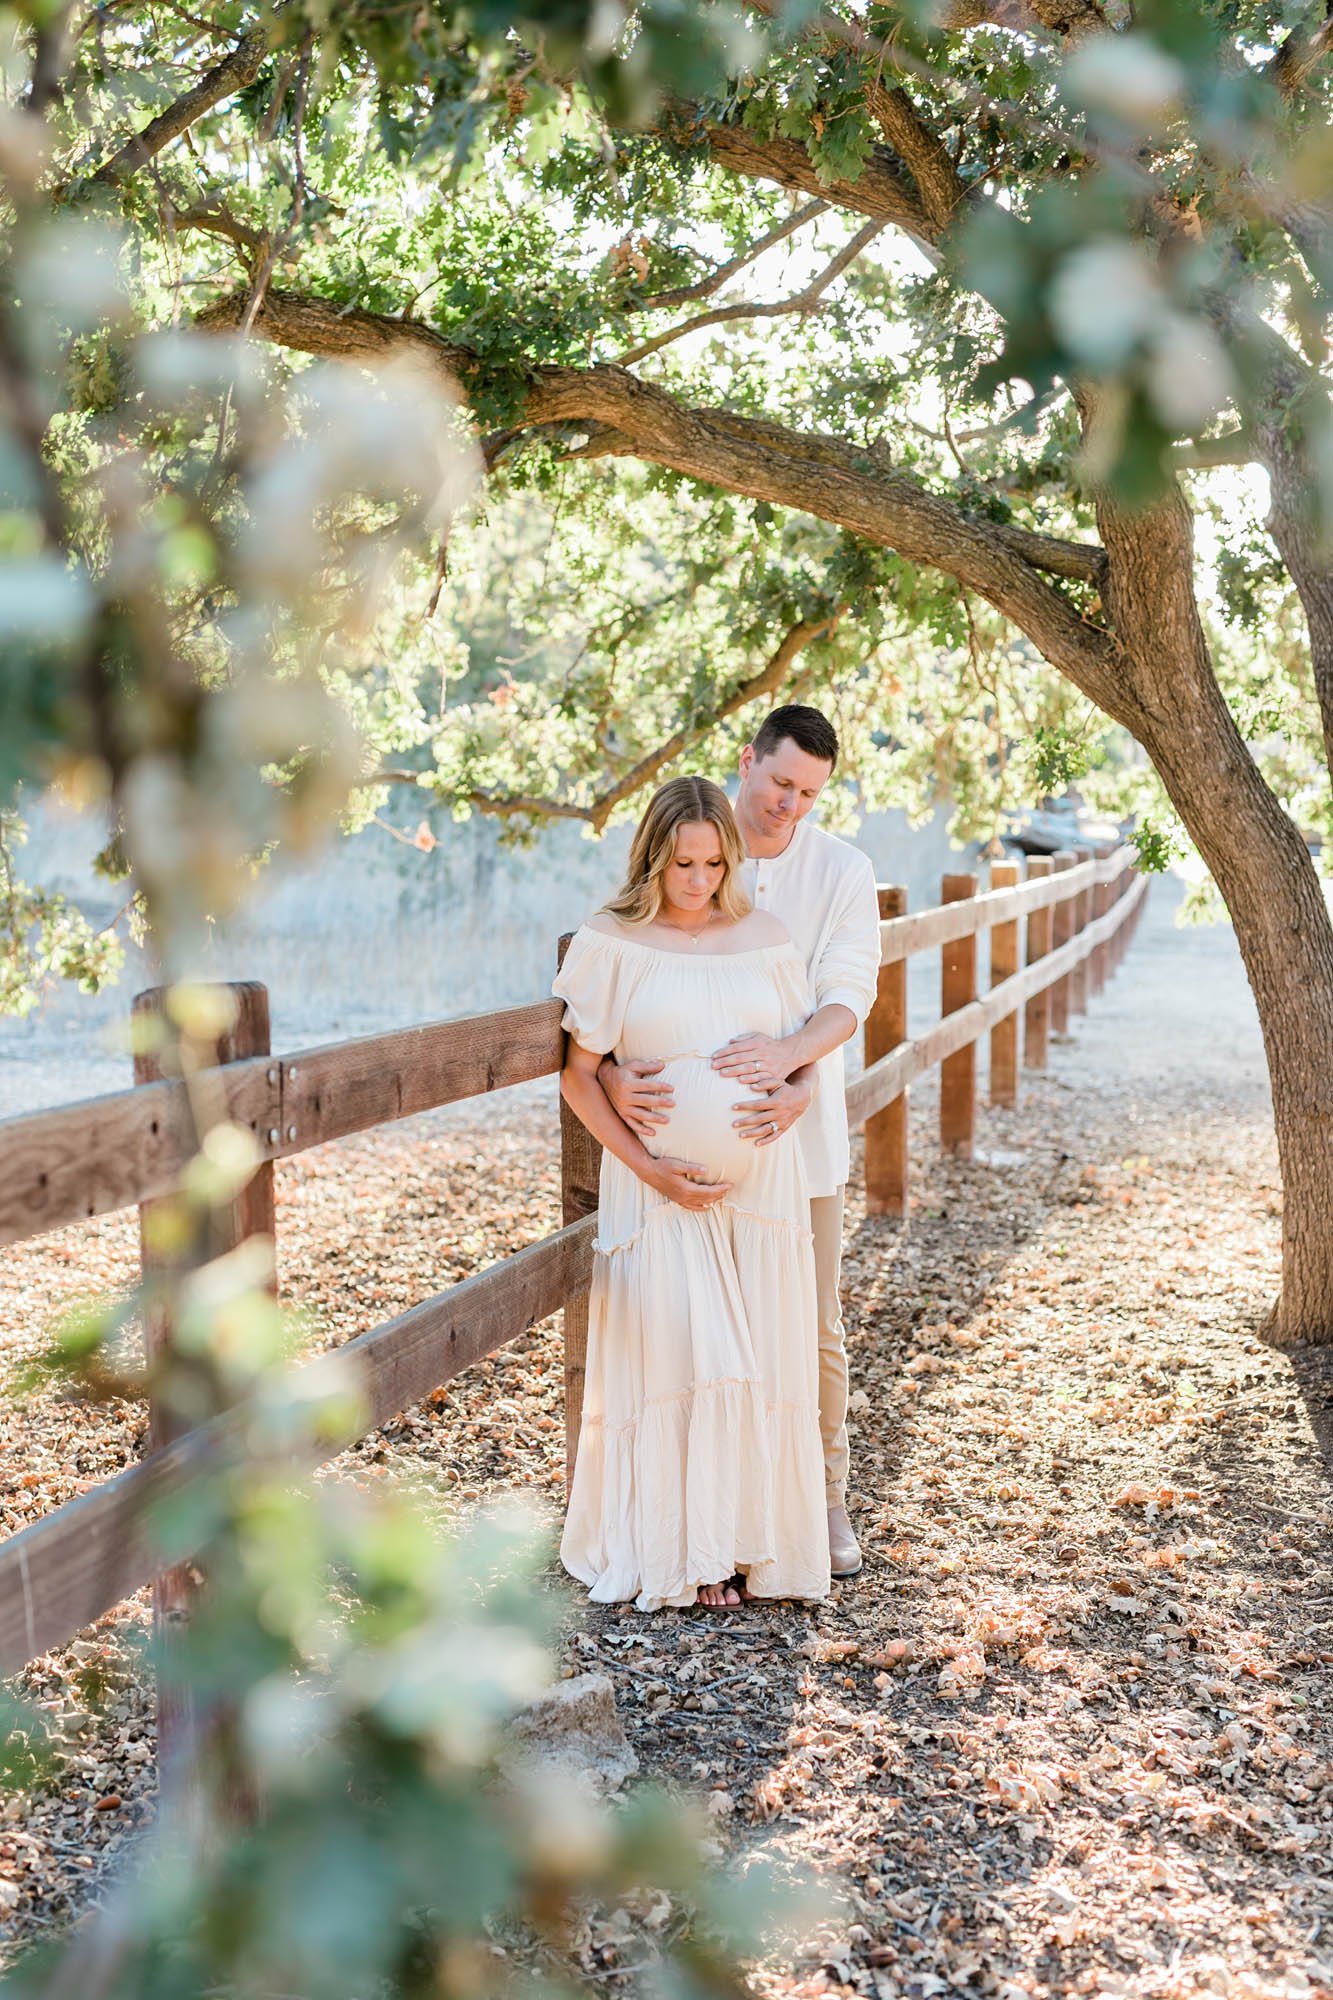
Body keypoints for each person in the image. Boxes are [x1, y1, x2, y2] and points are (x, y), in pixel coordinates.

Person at [600, 707, 880, 1579]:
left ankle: (820, 1495)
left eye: (808, 794)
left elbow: (846, 992)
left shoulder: (840, 869)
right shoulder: (687, 841)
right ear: (747, 761)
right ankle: (705, 1518)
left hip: (794, 1145)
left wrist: (794, 1068)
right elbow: (620, 983)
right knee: (698, 1333)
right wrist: (613, 1078)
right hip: (672, 1169)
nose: (789, 806)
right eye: (780, 783)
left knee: (809, 1324)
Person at [553, 775, 830, 1612]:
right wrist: (650, 1167)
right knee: (688, 1359)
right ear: (652, 857)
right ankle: (691, 1552)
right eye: (682, 864)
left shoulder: (765, 935)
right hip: (659, 1195)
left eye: (713, 864)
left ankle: (753, 1550)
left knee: (757, 1366)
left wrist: (797, 1093)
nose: (699, 881)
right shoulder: (611, 941)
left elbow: (803, 1051)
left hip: (761, 1192)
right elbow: (578, 1074)